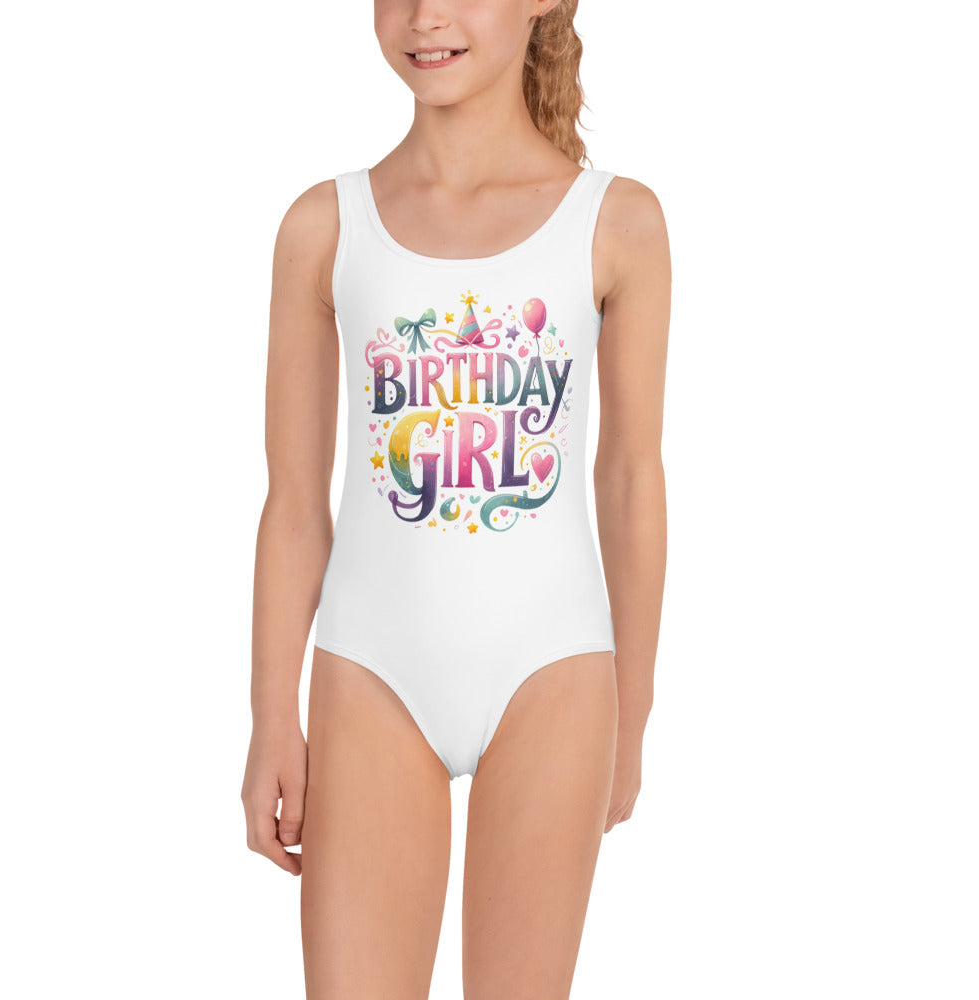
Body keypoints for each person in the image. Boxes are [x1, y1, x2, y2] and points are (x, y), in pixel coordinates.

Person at [241, 1, 670, 995]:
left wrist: (634, 712)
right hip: (370, 674)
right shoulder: (324, 227)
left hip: (555, 677)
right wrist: (270, 715)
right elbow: (294, 502)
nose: (425, 15)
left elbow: (630, 478)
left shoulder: (616, 223)